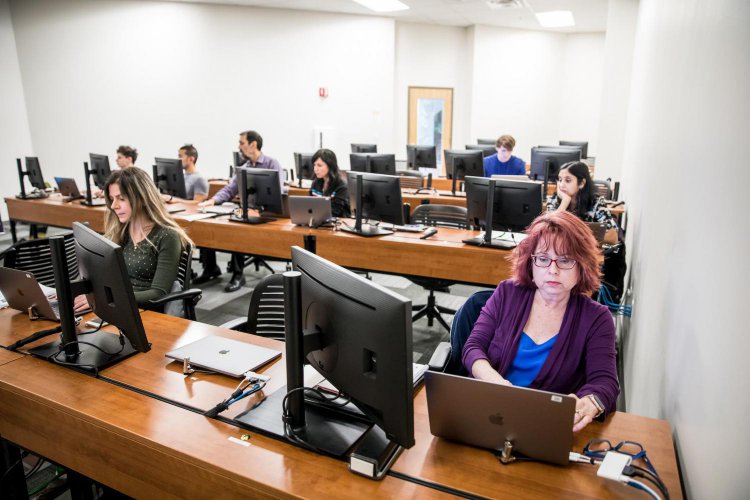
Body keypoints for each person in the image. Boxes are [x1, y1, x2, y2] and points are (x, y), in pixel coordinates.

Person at [462, 211, 619, 432]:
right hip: (490, 413)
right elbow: (472, 348)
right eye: (543, 259)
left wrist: (590, 403)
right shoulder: (507, 293)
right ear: (531, 262)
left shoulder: (597, 318)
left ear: (582, 265)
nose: (552, 270)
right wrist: (496, 383)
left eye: (565, 260)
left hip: (547, 427)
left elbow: (605, 382)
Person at [73, 167, 193, 312]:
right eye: (112, 199)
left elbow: (158, 293)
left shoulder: (167, 236)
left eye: (121, 199)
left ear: (141, 198)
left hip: (147, 311)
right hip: (119, 306)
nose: (113, 206)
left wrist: (108, 298)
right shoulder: (121, 232)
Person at [196, 130, 285, 292]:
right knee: (209, 224)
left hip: (268, 214)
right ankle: (210, 268)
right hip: (247, 212)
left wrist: (261, 211)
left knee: (238, 229)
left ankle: (238, 274)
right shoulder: (244, 167)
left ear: (253, 144)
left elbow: (278, 194)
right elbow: (230, 189)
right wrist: (212, 201)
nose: (239, 146)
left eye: (242, 143)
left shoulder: (272, 164)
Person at [547, 161, 618, 245]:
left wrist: (577, 237)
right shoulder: (555, 199)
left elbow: (613, 237)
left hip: (586, 251)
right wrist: (565, 202)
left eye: (568, 180)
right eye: (560, 179)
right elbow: (548, 229)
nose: (561, 185)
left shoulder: (596, 202)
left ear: (581, 183)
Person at [309, 148, 350, 217]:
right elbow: (310, 206)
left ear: (330, 166)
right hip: (319, 220)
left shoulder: (341, 186)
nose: (315, 169)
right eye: (314, 165)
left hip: (337, 223)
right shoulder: (316, 183)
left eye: (319, 165)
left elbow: (335, 212)